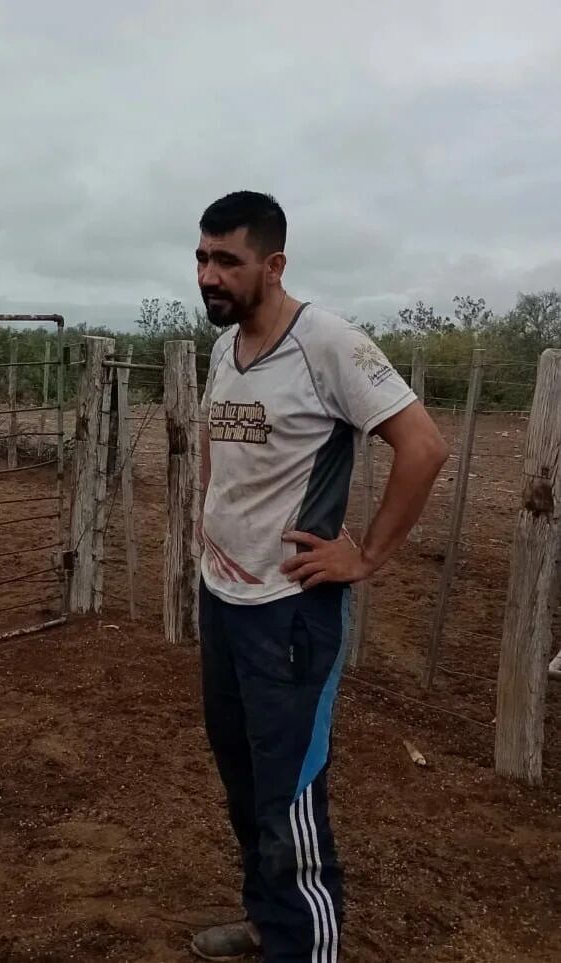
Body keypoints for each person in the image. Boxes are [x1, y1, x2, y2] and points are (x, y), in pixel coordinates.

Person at [189, 192, 448, 963]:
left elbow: (423, 446)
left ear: (272, 265)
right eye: (202, 257)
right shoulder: (221, 347)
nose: (208, 275)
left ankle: (308, 946)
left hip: (288, 612)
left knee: (289, 795)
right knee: (242, 778)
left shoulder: (327, 343)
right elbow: (218, 450)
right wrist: (204, 533)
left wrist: (364, 554)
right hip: (223, 598)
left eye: (226, 261)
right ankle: (269, 922)